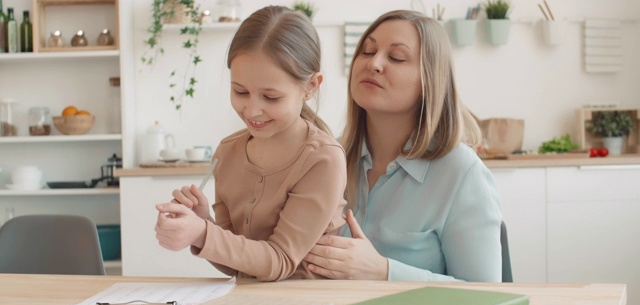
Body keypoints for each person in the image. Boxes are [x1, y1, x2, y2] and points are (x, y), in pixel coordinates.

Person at [304, 10, 503, 282]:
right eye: (367, 51)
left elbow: (487, 296)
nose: (374, 63)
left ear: (429, 80)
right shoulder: (326, 159)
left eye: (396, 57)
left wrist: (383, 271)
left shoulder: (461, 172)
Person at [154, 6, 347, 281]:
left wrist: (202, 233)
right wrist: (202, 221)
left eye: (270, 97)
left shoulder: (323, 160)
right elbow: (236, 266)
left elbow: (279, 261)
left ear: (310, 86)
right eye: (240, 91)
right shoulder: (227, 152)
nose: (252, 110)